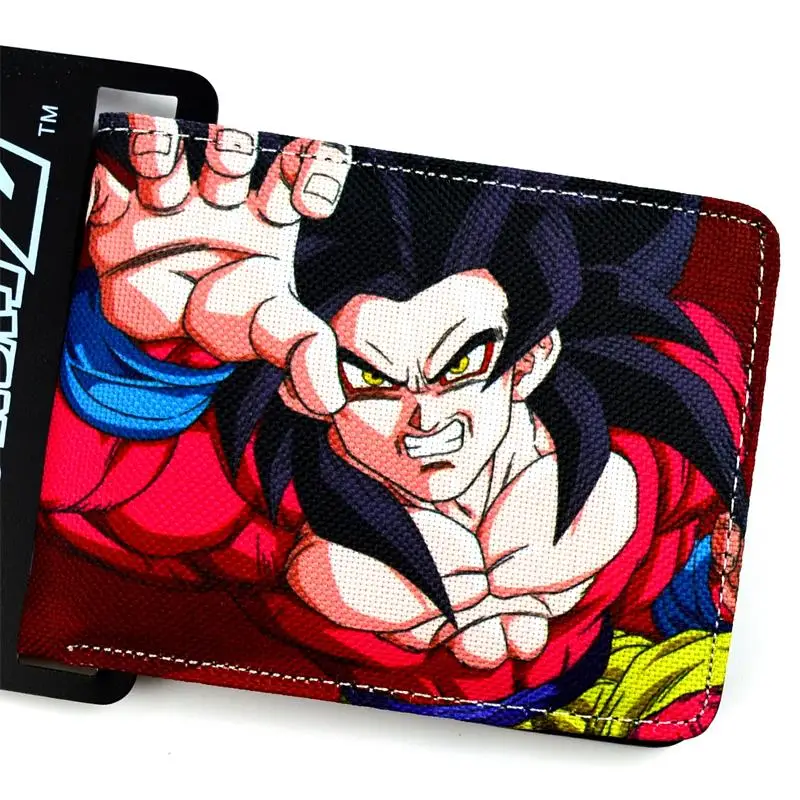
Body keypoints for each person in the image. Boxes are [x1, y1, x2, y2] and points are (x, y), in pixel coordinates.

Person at [38, 115, 745, 740]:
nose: (425, 419)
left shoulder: (655, 419)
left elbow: (694, 513)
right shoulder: (257, 492)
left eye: (462, 362)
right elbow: (79, 479)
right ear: (303, 384)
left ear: (531, 358)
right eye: (372, 379)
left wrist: (696, 585)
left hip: (620, 694)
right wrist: (157, 346)